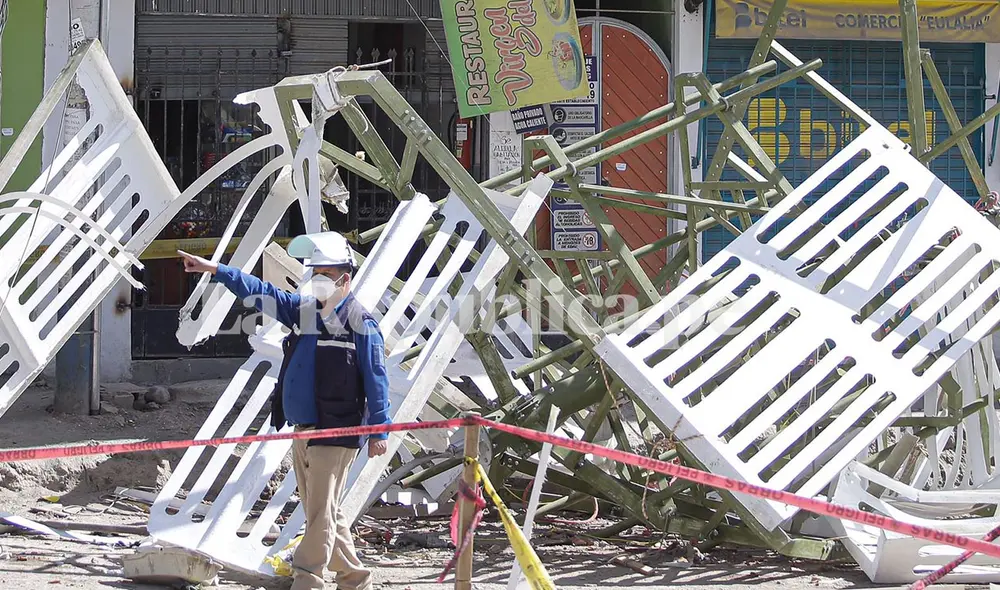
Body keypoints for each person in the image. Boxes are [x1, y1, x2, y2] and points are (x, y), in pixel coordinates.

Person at [178, 232, 389, 590]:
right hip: (303, 429)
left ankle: (306, 579)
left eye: (327, 273)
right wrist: (217, 270)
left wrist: (380, 432)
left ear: (345, 279)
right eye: (316, 272)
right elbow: (263, 293)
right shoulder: (305, 314)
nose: (319, 279)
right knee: (323, 512)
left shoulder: (360, 323)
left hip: (335, 432)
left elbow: (376, 378)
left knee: (320, 514)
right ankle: (354, 579)